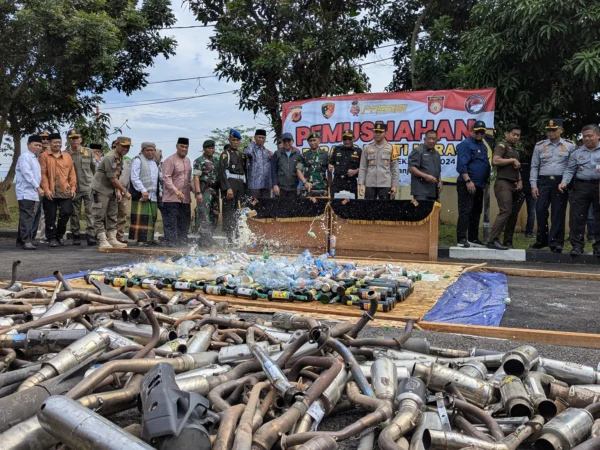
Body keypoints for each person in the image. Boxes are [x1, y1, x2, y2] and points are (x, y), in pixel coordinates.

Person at [529, 119, 575, 253]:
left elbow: (570, 167)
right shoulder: (539, 146)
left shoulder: (570, 146)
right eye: (548, 130)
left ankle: (556, 242)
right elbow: (534, 166)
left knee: (558, 213)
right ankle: (541, 240)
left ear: (561, 129)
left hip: (560, 182)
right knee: (540, 210)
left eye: (554, 129)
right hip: (543, 182)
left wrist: (565, 181)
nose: (550, 132)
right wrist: (533, 185)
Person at [559, 124, 600, 256]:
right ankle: (577, 246)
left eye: (590, 136)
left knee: (598, 217)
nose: (587, 139)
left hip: (598, 186)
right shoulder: (577, 153)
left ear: (598, 136)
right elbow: (570, 169)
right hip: (581, 186)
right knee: (577, 217)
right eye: (585, 136)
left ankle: (598, 246)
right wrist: (564, 182)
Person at [487, 124, 524, 250]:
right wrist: (512, 160)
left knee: (513, 214)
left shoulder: (515, 149)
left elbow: (516, 168)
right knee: (505, 211)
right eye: (514, 134)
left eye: (518, 135)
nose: (516, 137)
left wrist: (519, 180)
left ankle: (508, 241)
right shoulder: (501, 145)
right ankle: (493, 240)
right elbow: (496, 161)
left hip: (514, 184)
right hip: (503, 183)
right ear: (506, 133)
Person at [90, 136, 132, 249]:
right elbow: (113, 178)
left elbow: (117, 175)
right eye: (123, 146)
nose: (126, 149)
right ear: (117, 144)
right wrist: (124, 191)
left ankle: (112, 239)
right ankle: (103, 240)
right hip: (100, 189)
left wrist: (117, 191)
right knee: (99, 214)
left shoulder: (120, 157)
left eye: (128, 147)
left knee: (112, 214)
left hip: (111, 189)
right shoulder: (110, 157)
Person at [455, 120, 491, 248]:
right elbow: (461, 165)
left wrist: (486, 181)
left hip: (480, 185)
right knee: (466, 211)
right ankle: (461, 238)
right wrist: (468, 181)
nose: (479, 134)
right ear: (471, 131)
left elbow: (485, 164)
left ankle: (473, 238)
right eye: (477, 131)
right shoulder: (466, 144)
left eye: (482, 132)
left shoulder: (483, 146)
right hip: (467, 184)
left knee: (477, 211)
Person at [39, 132, 77, 247]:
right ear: (50, 143)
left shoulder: (67, 156)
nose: (58, 144)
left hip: (65, 190)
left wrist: (73, 187)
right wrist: (46, 189)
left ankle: (59, 236)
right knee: (50, 215)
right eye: (55, 142)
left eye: (59, 142)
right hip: (50, 191)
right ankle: (51, 238)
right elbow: (43, 174)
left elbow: (72, 174)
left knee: (66, 212)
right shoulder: (44, 156)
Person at [65, 129, 96, 246]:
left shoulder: (88, 152)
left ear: (81, 139)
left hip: (88, 186)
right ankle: (76, 235)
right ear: (68, 140)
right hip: (74, 188)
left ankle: (91, 235)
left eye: (77, 138)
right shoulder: (66, 154)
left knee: (90, 212)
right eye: (72, 138)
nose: (75, 141)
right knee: (74, 213)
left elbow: (94, 169)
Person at [161, 137, 192, 247]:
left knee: (184, 222)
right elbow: (166, 178)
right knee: (171, 223)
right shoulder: (170, 160)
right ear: (177, 146)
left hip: (185, 199)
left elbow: (188, 179)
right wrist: (176, 191)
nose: (184, 149)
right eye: (182, 146)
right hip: (171, 198)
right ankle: (171, 245)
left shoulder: (188, 161)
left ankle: (182, 244)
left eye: (186, 147)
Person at [16, 135, 45, 250]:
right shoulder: (25, 157)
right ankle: (26, 240)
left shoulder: (34, 158)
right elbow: (27, 174)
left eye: (40, 146)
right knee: (27, 216)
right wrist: (38, 187)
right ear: (28, 144)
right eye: (36, 145)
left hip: (31, 192)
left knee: (26, 216)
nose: (38, 147)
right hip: (25, 191)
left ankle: (21, 240)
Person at [128, 142, 160, 245]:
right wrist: (143, 190)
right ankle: (140, 240)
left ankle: (149, 239)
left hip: (153, 194)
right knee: (141, 218)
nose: (150, 152)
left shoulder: (155, 162)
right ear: (143, 151)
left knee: (151, 217)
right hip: (141, 193)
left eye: (152, 150)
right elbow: (134, 177)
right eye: (148, 150)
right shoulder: (138, 160)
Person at [218, 130, 247, 243]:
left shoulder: (242, 155)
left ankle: (239, 237)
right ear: (230, 140)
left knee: (239, 212)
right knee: (229, 212)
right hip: (230, 185)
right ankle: (229, 238)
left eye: (237, 140)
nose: (235, 142)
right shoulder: (226, 154)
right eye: (233, 140)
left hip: (240, 186)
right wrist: (227, 188)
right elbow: (222, 172)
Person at [357, 122, 399, 199]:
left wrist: (394, 185)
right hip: (370, 184)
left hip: (386, 184)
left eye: (380, 132)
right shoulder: (367, 148)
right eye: (376, 132)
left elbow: (394, 169)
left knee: (385, 208)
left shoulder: (392, 148)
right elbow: (363, 167)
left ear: (386, 132)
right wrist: (361, 184)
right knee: (369, 208)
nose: (378, 134)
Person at [193, 140, 220, 244]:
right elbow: (196, 177)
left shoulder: (217, 161)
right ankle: (204, 238)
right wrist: (198, 193)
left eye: (213, 148)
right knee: (204, 214)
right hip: (204, 191)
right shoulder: (199, 161)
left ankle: (210, 237)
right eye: (209, 148)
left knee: (215, 214)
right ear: (204, 148)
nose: (211, 150)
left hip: (215, 191)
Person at [408, 129, 442, 202]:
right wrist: (425, 176)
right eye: (429, 138)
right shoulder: (418, 151)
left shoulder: (436, 154)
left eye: (433, 139)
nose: (431, 141)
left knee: (433, 212)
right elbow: (411, 168)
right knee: (421, 212)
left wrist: (440, 181)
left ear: (437, 140)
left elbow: (437, 171)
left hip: (433, 191)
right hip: (421, 191)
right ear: (424, 139)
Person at [328, 129, 361, 197]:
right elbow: (330, 163)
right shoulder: (336, 149)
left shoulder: (358, 152)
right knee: (334, 205)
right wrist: (330, 166)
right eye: (345, 139)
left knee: (352, 205)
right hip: (337, 182)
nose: (347, 141)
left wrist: (356, 171)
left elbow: (364, 168)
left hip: (351, 182)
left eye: (349, 138)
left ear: (354, 139)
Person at [296, 132, 329, 197]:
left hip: (322, 188)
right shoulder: (303, 155)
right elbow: (298, 170)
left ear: (319, 140)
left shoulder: (325, 155)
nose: (312, 142)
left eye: (314, 140)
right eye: (310, 141)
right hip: (308, 188)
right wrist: (304, 182)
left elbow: (330, 171)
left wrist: (330, 186)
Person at [245, 129, 273, 198]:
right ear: (255, 138)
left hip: (266, 185)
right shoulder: (252, 150)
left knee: (265, 207)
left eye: (263, 138)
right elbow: (247, 153)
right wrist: (252, 143)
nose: (261, 139)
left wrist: (272, 157)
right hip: (254, 185)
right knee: (253, 207)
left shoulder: (267, 152)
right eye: (259, 137)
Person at [272, 132, 301, 198]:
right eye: (284, 141)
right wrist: (275, 185)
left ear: (292, 141)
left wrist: (299, 185)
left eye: (289, 141)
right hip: (281, 188)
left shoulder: (298, 154)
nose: (287, 143)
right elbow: (273, 170)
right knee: (280, 207)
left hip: (294, 188)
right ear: (282, 142)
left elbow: (300, 170)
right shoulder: (277, 154)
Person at [34, 131, 51, 243]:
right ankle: (30, 235)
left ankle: (45, 235)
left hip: (49, 186)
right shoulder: (34, 154)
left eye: (46, 138)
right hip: (36, 186)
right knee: (35, 212)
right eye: (42, 138)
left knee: (48, 212)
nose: (44, 141)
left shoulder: (53, 154)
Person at [519, 143, 536, 238]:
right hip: (522, 188)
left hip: (531, 189)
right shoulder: (522, 158)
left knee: (531, 212)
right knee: (517, 210)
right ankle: (528, 232)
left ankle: (529, 232)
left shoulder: (535, 160)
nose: (528, 151)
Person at [116, 154, 132, 243]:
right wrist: (118, 190)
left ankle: (119, 236)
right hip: (113, 190)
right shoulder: (112, 160)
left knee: (123, 213)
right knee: (111, 214)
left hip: (124, 190)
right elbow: (114, 178)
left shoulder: (127, 161)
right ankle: (110, 236)